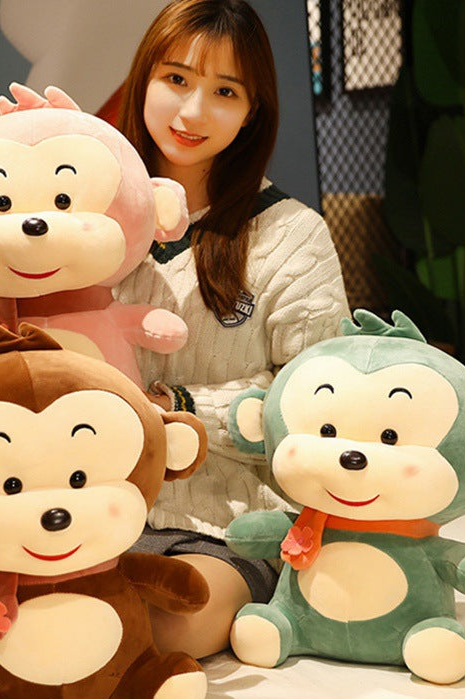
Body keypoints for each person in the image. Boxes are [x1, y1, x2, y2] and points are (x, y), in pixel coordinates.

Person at [114, 0, 350, 658]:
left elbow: (320, 404)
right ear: (144, 80)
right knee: (44, 622)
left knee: (166, 631)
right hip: (88, 505)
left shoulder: (291, 235)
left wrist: (178, 409)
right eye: (176, 79)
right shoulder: (88, 218)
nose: (193, 112)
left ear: (252, 112)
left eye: (225, 92)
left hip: (228, 522)